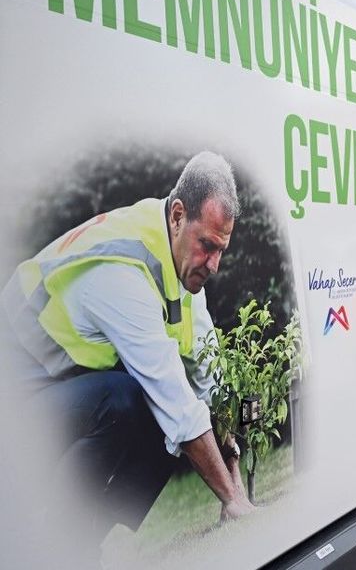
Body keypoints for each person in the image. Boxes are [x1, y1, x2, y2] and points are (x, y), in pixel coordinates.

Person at [0, 151, 254, 559]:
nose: (215, 264)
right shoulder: (122, 271)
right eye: (207, 245)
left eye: (221, 249)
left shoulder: (182, 273)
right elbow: (176, 404)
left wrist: (236, 482)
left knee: (157, 411)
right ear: (177, 216)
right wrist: (232, 500)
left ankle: (84, 542)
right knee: (131, 400)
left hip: (57, 387)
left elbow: (214, 383)